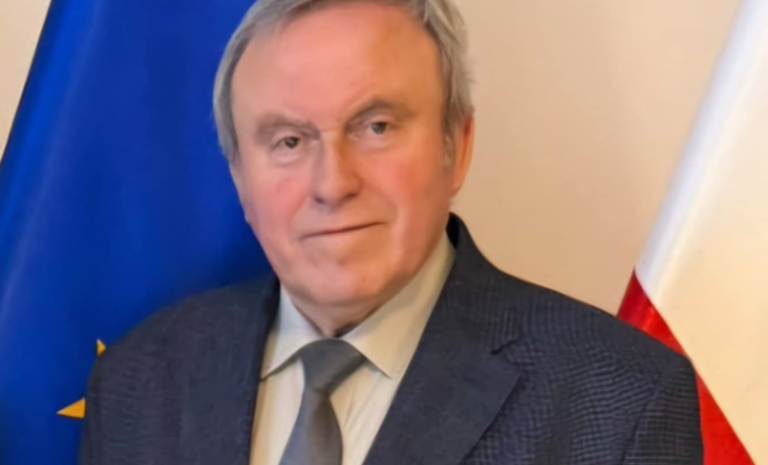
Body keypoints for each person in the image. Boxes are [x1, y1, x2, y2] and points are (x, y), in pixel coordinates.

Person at [78, 0, 703, 463]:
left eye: (375, 126)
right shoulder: (139, 379)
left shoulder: (621, 400)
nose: (332, 184)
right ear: (239, 176)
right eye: (289, 141)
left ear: (457, 147)